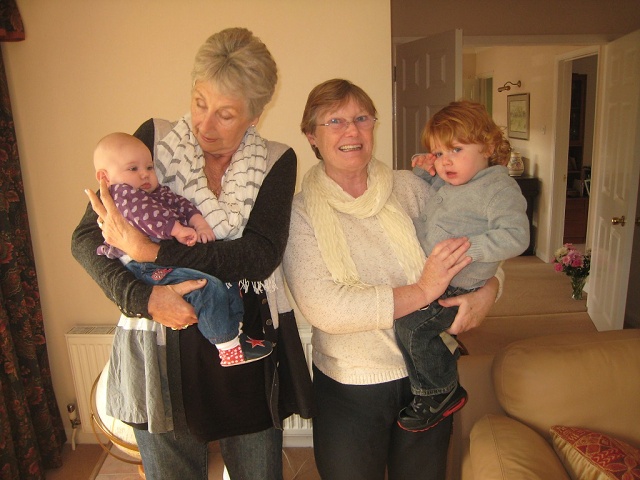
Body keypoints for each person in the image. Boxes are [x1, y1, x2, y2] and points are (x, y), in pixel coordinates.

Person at [71, 28, 314, 480]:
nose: (204, 125)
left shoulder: (278, 160)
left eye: (225, 114)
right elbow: (86, 238)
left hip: (245, 343)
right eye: (200, 103)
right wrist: (143, 298)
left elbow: (259, 255)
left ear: (255, 116)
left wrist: (150, 249)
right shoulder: (153, 141)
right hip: (162, 346)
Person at [283, 79, 502, 480]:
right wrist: (423, 290)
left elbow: (479, 243)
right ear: (311, 136)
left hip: (430, 377)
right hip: (350, 385)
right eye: (335, 121)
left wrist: (490, 288)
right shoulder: (299, 214)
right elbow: (327, 308)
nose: (351, 131)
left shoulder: (412, 187)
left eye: (361, 118)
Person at [394, 101, 529, 432]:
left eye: (455, 149)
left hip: (460, 284)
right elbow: (429, 191)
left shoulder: (498, 187)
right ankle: (440, 370)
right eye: (439, 153)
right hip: (439, 278)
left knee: (411, 327)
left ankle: (440, 391)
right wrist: (423, 170)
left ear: (487, 146)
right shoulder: (453, 181)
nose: (446, 161)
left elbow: (517, 236)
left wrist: (473, 249)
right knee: (412, 326)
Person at [93, 131, 273, 367]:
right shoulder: (122, 194)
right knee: (208, 288)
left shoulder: (155, 193)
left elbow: (180, 203)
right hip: (144, 267)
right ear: (104, 177)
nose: (145, 174)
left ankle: (235, 334)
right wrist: (176, 229)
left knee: (228, 280)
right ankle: (227, 347)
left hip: (165, 260)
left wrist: (198, 221)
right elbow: (146, 216)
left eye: (149, 167)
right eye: (133, 169)